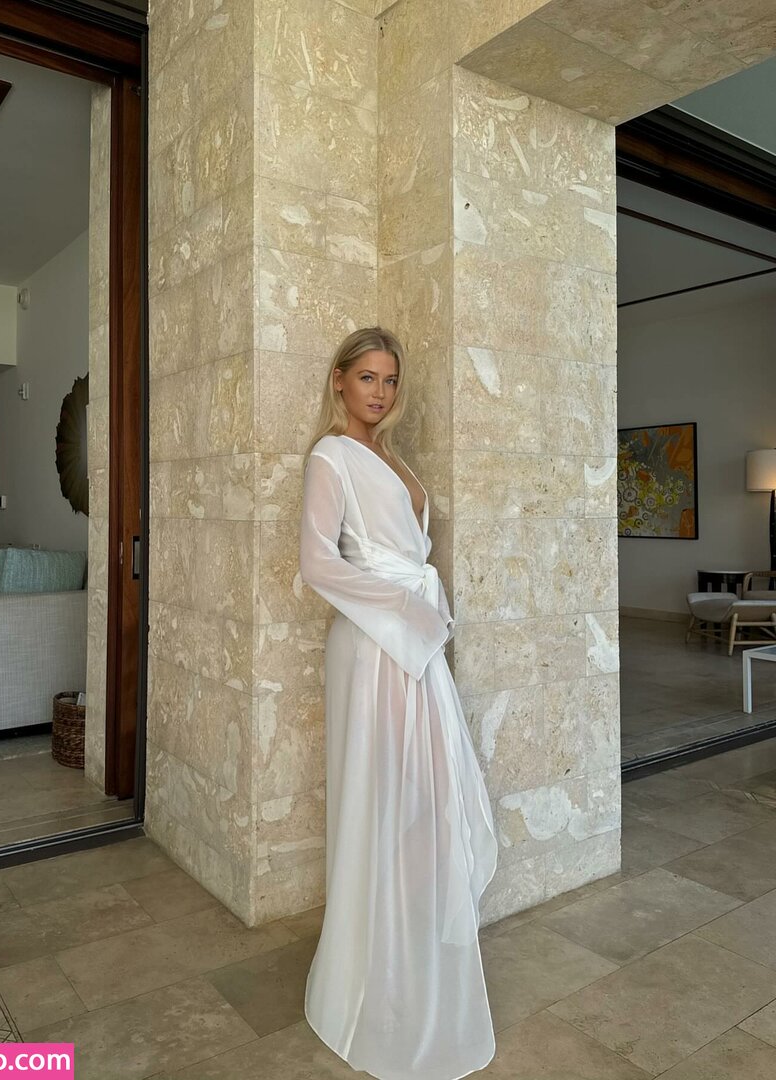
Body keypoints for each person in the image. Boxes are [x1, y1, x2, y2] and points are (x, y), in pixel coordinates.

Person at [299, 327, 498, 1080]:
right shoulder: (331, 457)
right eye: (367, 378)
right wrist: (404, 607)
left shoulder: (394, 458)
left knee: (423, 795)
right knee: (380, 794)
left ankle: (409, 952)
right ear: (339, 380)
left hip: (414, 641)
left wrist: (420, 612)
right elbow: (318, 563)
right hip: (373, 644)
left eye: (389, 380)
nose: (380, 392)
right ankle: (366, 975)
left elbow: (413, 555)